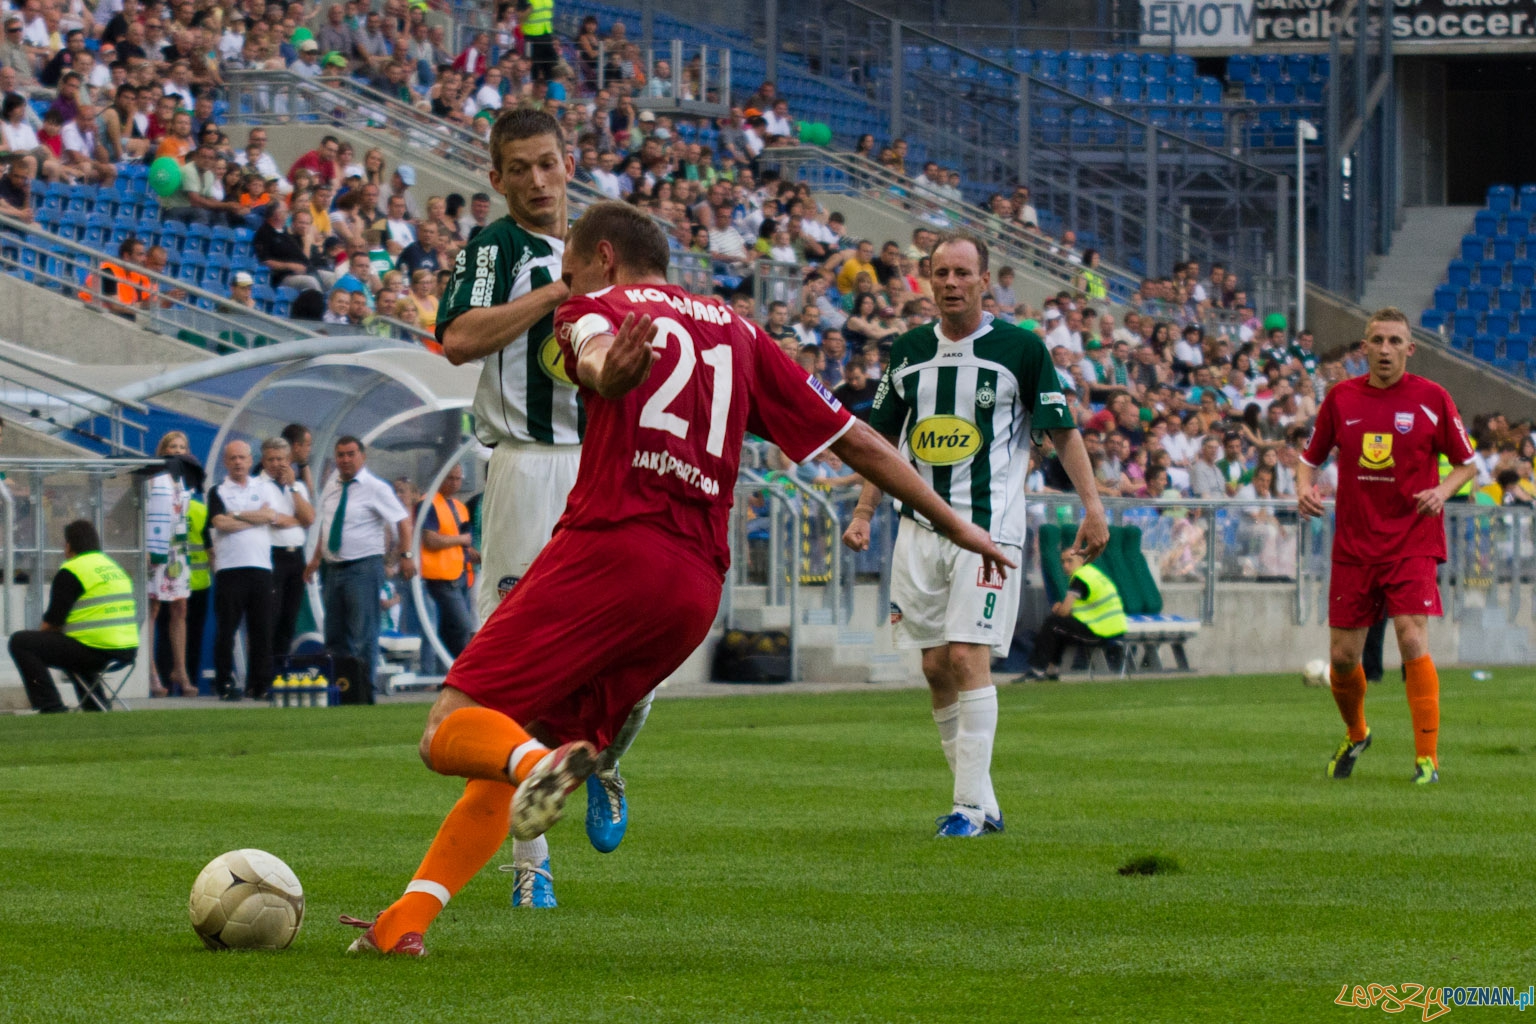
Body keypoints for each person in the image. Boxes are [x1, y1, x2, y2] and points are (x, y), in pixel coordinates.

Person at [341, 200, 1013, 957]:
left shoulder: (601, 304)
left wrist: (603, 368)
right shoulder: (742, 332)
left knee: (448, 730)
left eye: (568, 273)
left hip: (610, 550)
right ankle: (408, 922)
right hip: (692, 591)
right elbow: (856, 440)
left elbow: (594, 350)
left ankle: (547, 765)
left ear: (600, 257)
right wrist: (956, 522)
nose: (568, 287)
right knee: (512, 741)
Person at [436, 108, 648, 903]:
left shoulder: (616, 246)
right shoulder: (495, 250)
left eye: (546, 164)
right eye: (517, 168)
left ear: (570, 164)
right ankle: (531, 869)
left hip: (612, 467)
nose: (534, 180)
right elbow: (457, 340)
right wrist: (562, 291)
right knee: (513, 674)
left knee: (639, 661)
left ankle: (606, 756)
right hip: (526, 471)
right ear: (496, 178)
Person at [842, 231, 1108, 838]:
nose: (952, 283)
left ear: (985, 281)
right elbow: (879, 443)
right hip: (918, 529)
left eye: (964, 273)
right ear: (928, 280)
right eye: (941, 273)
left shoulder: (1021, 349)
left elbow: (1062, 432)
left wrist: (1093, 507)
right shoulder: (907, 350)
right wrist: (863, 513)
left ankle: (964, 810)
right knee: (935, 666)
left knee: (967, 656)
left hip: (989, 532)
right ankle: (982, 802)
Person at [1296, 308, 1477, 785]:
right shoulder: (1340, 398)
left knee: (1412, 637)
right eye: (1376, 340)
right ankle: (1356, 733)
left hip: (1412, 538)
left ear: (1409, 349)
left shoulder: (1432, 398)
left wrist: (1441, 491)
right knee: (1342, 657)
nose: (1384, 349)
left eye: (1395, 341)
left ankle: (1427, 759)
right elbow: (1308, 458)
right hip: (1354, 543)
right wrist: (1304, 488)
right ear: (1363, 347)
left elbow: (1467, 464)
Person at [304, 436, 412, 703]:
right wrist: (316, 558)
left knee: (364, 633)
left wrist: (406, 555)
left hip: (363, 566)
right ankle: (342, 691)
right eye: (340, 454)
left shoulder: (376, 487)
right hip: (334, 568)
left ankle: (364, 693)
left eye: (351, 454)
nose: (345, 459)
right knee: (335, 634)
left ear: (362, 456)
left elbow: (401, 521)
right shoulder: (332, 484)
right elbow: (327, 525)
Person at [9, 520, 138, 712]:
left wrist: (42, 638)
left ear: (69, 545)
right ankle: (96, 706)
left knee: (21, 642)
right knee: (72, 646)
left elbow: (52, 622)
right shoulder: (113, 567)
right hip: (127, 650)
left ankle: (51, 707)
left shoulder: (73, 570)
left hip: (96, 650)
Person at [207, 440, 287, 701]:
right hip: (229, 568)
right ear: (225, 462)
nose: (238, 463)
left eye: (242, 458)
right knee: (226, 629)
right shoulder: (217, 490)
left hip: (260, 567)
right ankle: (225, 681)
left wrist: (238, 513)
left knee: (261, 629)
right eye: (233, 458)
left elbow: (270, 517)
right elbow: (220, 522)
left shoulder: (262, 487)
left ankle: (260, 683)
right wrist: (253, 518)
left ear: (251, 460)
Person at [144, 431, 199, 697]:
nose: (177, 451)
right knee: (153, 608)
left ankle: (180, 670)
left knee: (180, 607)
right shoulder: (154, 477)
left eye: (182, 447)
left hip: (178, 548)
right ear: (163, 450)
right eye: (172, 447)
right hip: (157, 547)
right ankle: (151, 671)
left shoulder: (186, 479)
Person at [1026, 548, 1126, 679]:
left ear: (1081, 561)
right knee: (1060, 628)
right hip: (1114, 631)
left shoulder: (1080, 578)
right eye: (1063, 562)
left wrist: (1058, 607)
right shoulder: (1093, 574)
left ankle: (1037, 669)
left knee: (1052, 623)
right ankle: (1052, 671)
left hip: (1100, 633)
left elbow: (1064, 612)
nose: (1065, 566)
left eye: (1069, 561)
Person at [257, 436, 314, 665]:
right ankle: (264, 669)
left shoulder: (297, 486)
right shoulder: (257, 486)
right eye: (271, 459)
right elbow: (270, 519)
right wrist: (296, 520)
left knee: (289, 617)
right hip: (272, 555)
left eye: (281, 459)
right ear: (263, 460)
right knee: (271, 615)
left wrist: (292, 488)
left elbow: (309, 517)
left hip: (295, 556)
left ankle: (281, 666)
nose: (277, 464)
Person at [418, 462, 478, 666]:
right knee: (463, 626)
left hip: (461, 575)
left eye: (458, 478)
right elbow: (431, 540)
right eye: (450, 478)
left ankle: (445, 670)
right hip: (439, 576)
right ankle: (464, 670)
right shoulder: (428, 503)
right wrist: (461, 541)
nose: (454, 483)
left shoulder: (460, 507)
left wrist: (473, 553)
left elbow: (464, 542)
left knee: (449, 628)